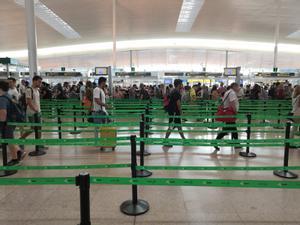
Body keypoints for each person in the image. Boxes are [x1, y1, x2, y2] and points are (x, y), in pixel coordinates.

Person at [0, 80, 26, 166]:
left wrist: (1, 124)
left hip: (7, 123)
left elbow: (3, 113)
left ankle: (15, 159)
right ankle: (19, 152)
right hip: (12, 121)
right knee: (10, 139)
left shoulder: (2, 99)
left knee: (9, 140)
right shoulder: (9, 96)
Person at [20, 76, 47, 151]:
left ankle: (39, 144)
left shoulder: (37, 90)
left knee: (39, 128)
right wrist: (36, 110)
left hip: (38, 112)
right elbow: (29, 102)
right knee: (33, 128)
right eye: (39, 81)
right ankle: (21, 139)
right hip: (32, 113)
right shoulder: (29, 89)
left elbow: (37, 102)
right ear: (34, 81)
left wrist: (39, 111)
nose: (40, 83)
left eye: (41, 82)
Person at [214, 83, 241, 153]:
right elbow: (232, 103)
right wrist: (235, 112)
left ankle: (236, 143)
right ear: (234, 86)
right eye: (238, 87)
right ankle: (215, 141)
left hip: (228, 113)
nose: (239, 88)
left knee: (231, 129)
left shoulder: (228, 92)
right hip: (230, 113)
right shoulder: (232, 93)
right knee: (229, 129)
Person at [164, 79, 186, 149]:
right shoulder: (176, 92)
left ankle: (184, 139)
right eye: (181, 84)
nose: (182, 85)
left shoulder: (173, 91)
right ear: (179, 84)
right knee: (171, 126)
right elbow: (178, 103)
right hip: (174, 112)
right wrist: (181, 111)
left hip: (173, 111)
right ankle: (165, 141)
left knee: (178, 125)